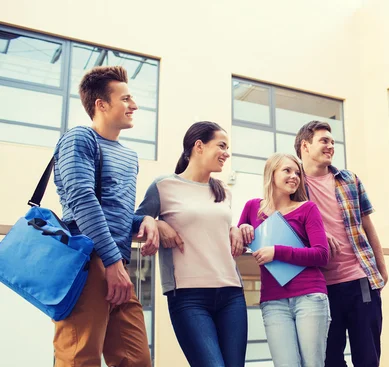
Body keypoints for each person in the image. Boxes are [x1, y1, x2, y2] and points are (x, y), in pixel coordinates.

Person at [52, 65, 158, 367]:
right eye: (125, 99)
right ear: (101, 104)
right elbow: (82, 199)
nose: (133, 105)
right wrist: (111, 262)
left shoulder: (129, 155)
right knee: (79, 358)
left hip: (117, 264)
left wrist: (144, 221)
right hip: (86, 262)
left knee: (135, 360)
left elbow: (116, 212)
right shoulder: (79, 139)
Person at [135, 121, 247, 367]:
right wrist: (155, 222)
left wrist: (235, 228)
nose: (227, 153)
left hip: (231, 293)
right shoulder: (164, 186)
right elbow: (132, 224)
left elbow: (216, 229)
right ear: (199, 146)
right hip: (188, 297)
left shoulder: (223, 192)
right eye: (222, 145)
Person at [294, 121, 387, 367]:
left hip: (360, 280)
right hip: (319, 287)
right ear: (305, 145)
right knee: (329, 360)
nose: (331, 146)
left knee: (368, 358)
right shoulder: (293, 184)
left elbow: (368, 226)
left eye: (332, 142)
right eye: (324, 141)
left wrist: (381, 267)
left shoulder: (349, 179)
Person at [237, 152, 330, 367]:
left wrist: (277, 251)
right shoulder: (253, 207)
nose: (294, 176)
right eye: (287, 170)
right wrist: (241, 228)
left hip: (310, 297)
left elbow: (321, 254)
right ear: (272, 174)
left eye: (297, 173)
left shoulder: (307, 208)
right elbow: (239, 245)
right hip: (273, 300)